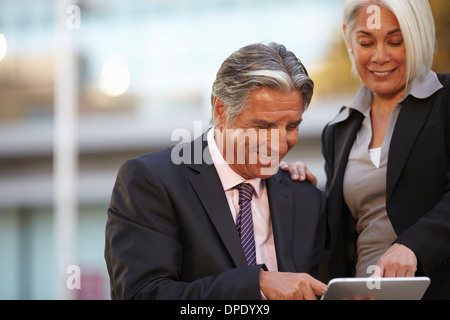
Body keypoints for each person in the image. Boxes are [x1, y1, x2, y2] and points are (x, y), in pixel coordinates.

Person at [104, 42, 327, 300]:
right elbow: (143, 296)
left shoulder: (306, 198)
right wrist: (257, 284)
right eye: (263, 126)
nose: (278, 145)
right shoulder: (151, 182)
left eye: (291, 127)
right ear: (222, 111)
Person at [283, 0, 450, 299]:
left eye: (395, 41)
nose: (380, 56)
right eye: (366, 42)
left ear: (417, 36)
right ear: (349, 37)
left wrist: (413, 245)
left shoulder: (445, 101)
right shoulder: (338, 131)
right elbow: (339, 237)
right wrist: (302, 191)